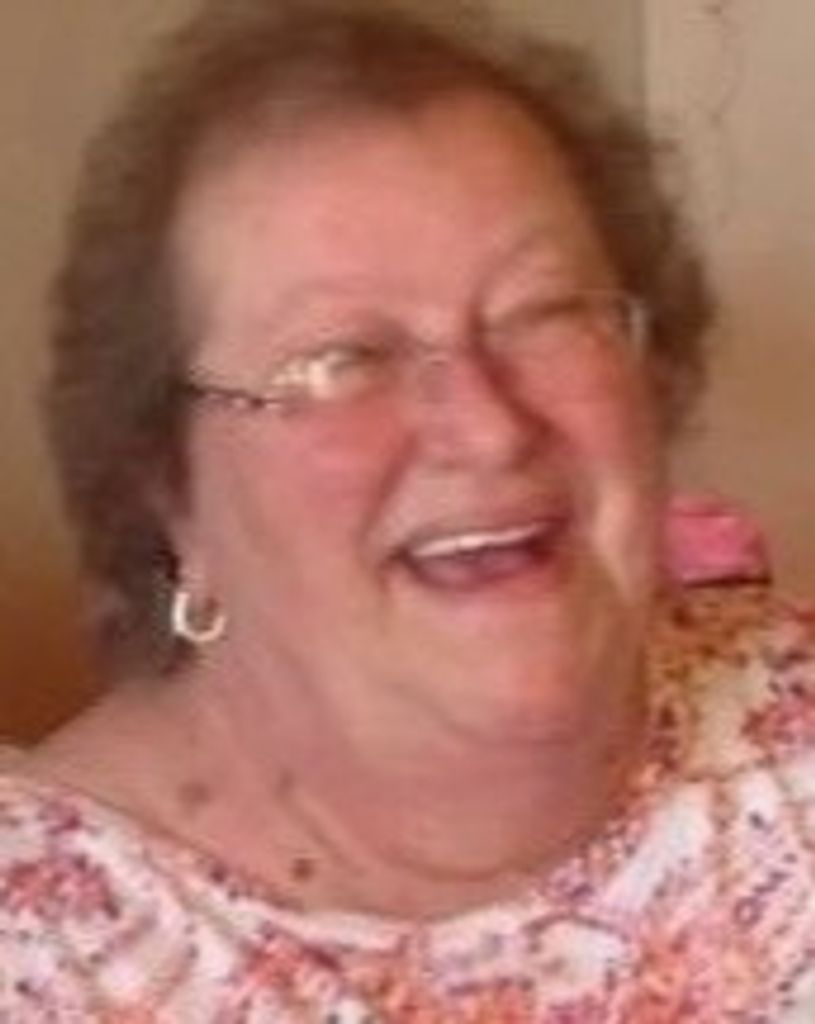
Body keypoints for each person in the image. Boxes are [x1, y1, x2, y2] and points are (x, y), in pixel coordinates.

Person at [1, 0, 814, 1018]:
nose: (486, 427)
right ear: (169, 489)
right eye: (342, 359)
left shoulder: (785, 714)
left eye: (546, 314)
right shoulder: (43, 954)